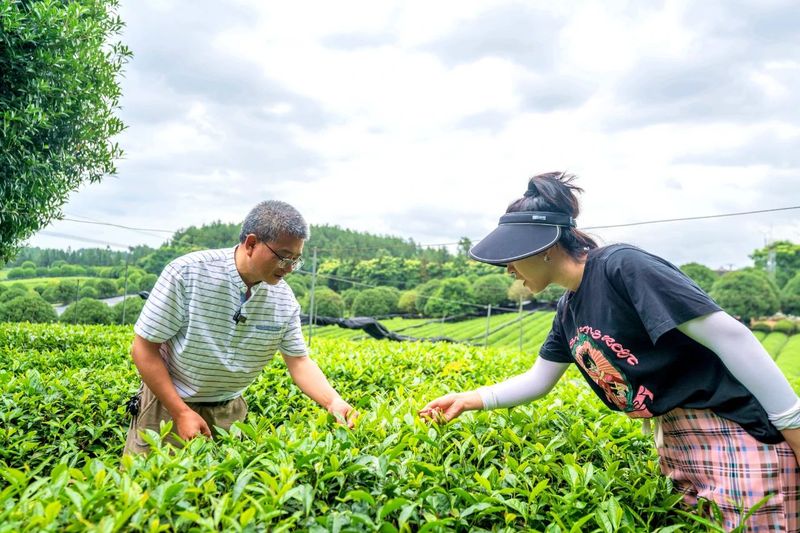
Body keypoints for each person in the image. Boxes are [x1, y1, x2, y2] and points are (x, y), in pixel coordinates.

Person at [420, 172, 800, 530]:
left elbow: (731, 337)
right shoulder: (568, 309)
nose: (509, 270)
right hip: (674, 438)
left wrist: (794, 427)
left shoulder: (622, 267)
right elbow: (539, 379)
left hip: (733, 430)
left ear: (545, 247)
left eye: (513, 258)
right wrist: (470, 400)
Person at [123, 200, 356, 455]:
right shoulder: (187, 273)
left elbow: (299, 362)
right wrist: (180, 411)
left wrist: (333, 401)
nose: (289, 268)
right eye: (283, 257)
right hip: (166, 405)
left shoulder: (284, 300)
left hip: (229, 413)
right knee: (147, 488)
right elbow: (144, 349)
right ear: (251, 243)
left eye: (295, 260)